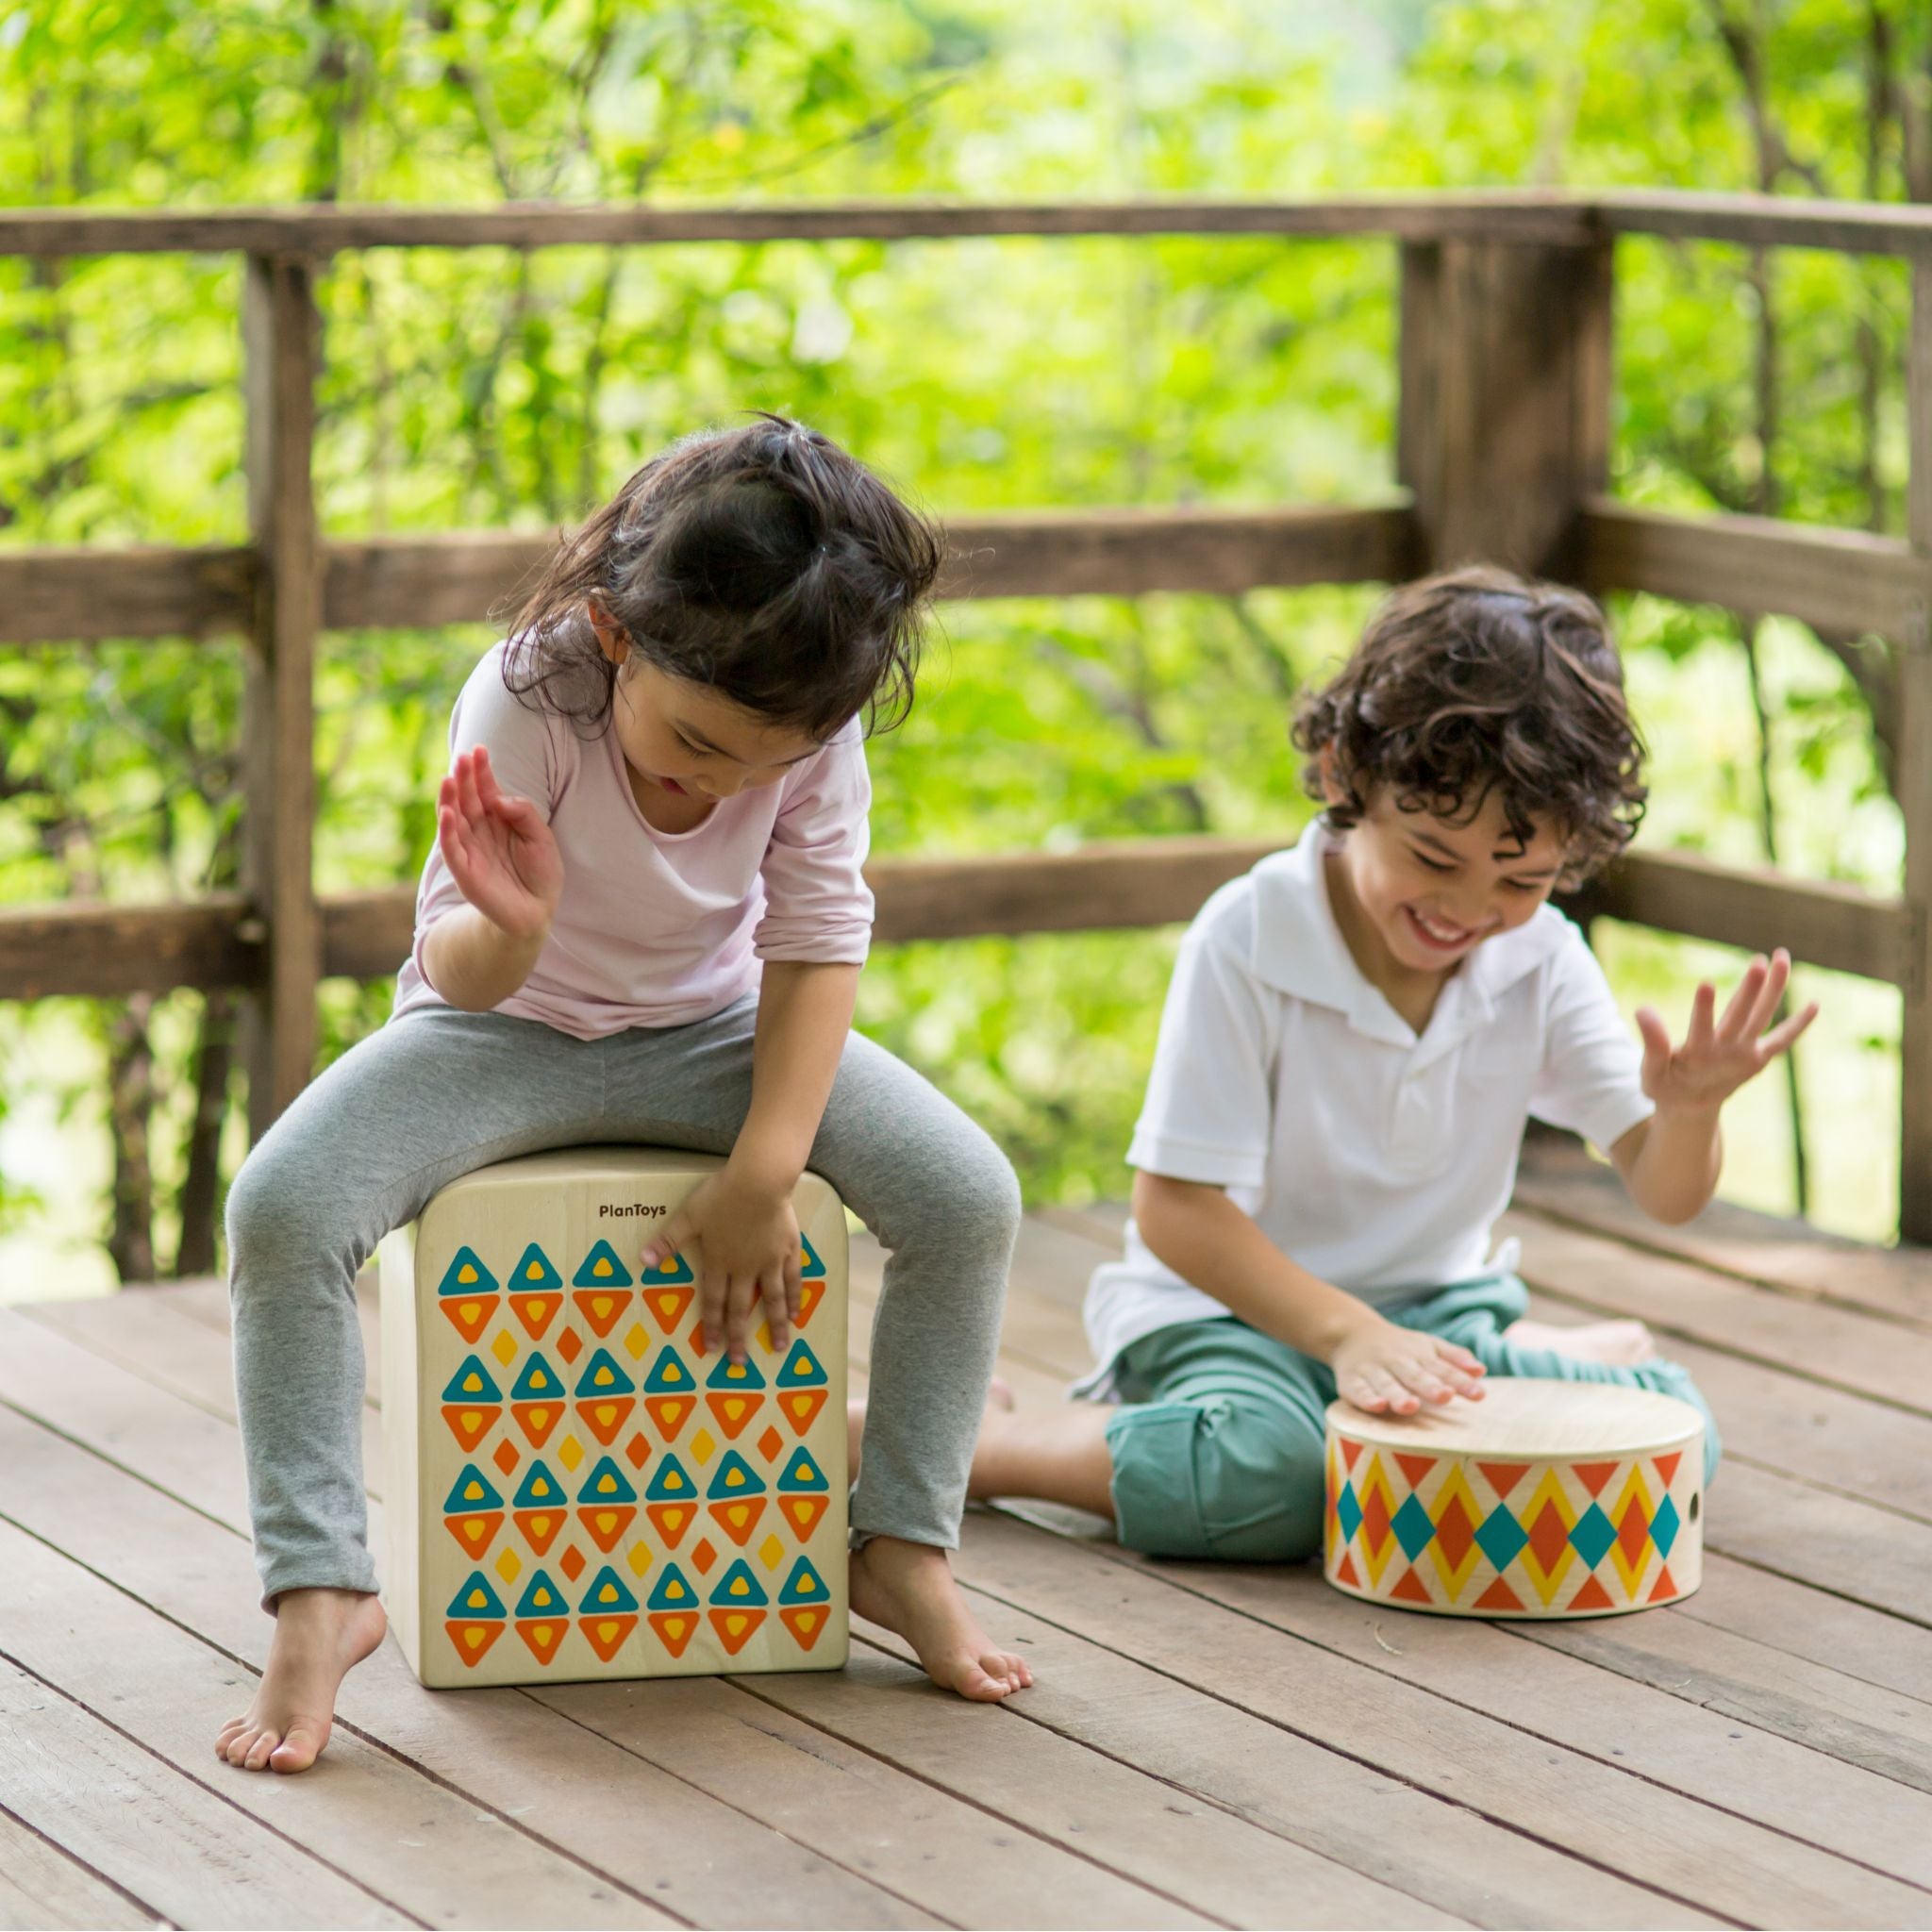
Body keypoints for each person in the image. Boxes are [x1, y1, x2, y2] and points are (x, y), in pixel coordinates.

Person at [217, 416, 1030, 1775]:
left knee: (968, 1198)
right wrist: (518, 928)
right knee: (282, 1207)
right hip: (499, 1028)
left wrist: (765, 1171)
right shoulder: (528, 693)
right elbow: (457, 973)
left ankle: (898, 1547)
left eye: (765, 762)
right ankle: (321, 1588)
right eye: (699, 742)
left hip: (715, 1035)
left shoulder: (806, 725)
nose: (725, 782)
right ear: (614, 635)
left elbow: (818, 940)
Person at [960, 566, 1810, 1560]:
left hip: (1431, 1315)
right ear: (1341, 774)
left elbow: (1664, 1192)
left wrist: (1690, 1113)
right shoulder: (1248, 934)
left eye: (1521, 877)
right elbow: (1173, 1209)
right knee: (1270, 1479)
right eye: (1431, 856)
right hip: (1230, 1318)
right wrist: (1344, 1337)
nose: (1467, 908)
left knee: (1668, 1437)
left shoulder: (1538, 959)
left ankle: (1510, 1354)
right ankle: (994, 1443)